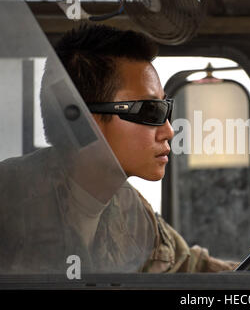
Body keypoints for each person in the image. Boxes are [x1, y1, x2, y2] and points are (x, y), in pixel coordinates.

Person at [0, 24, 236, 274]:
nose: (168, 131)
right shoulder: (9, 199)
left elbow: (189, 268)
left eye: (166, 109)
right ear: (84, 124)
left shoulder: (129, 209)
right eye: (150, 111)